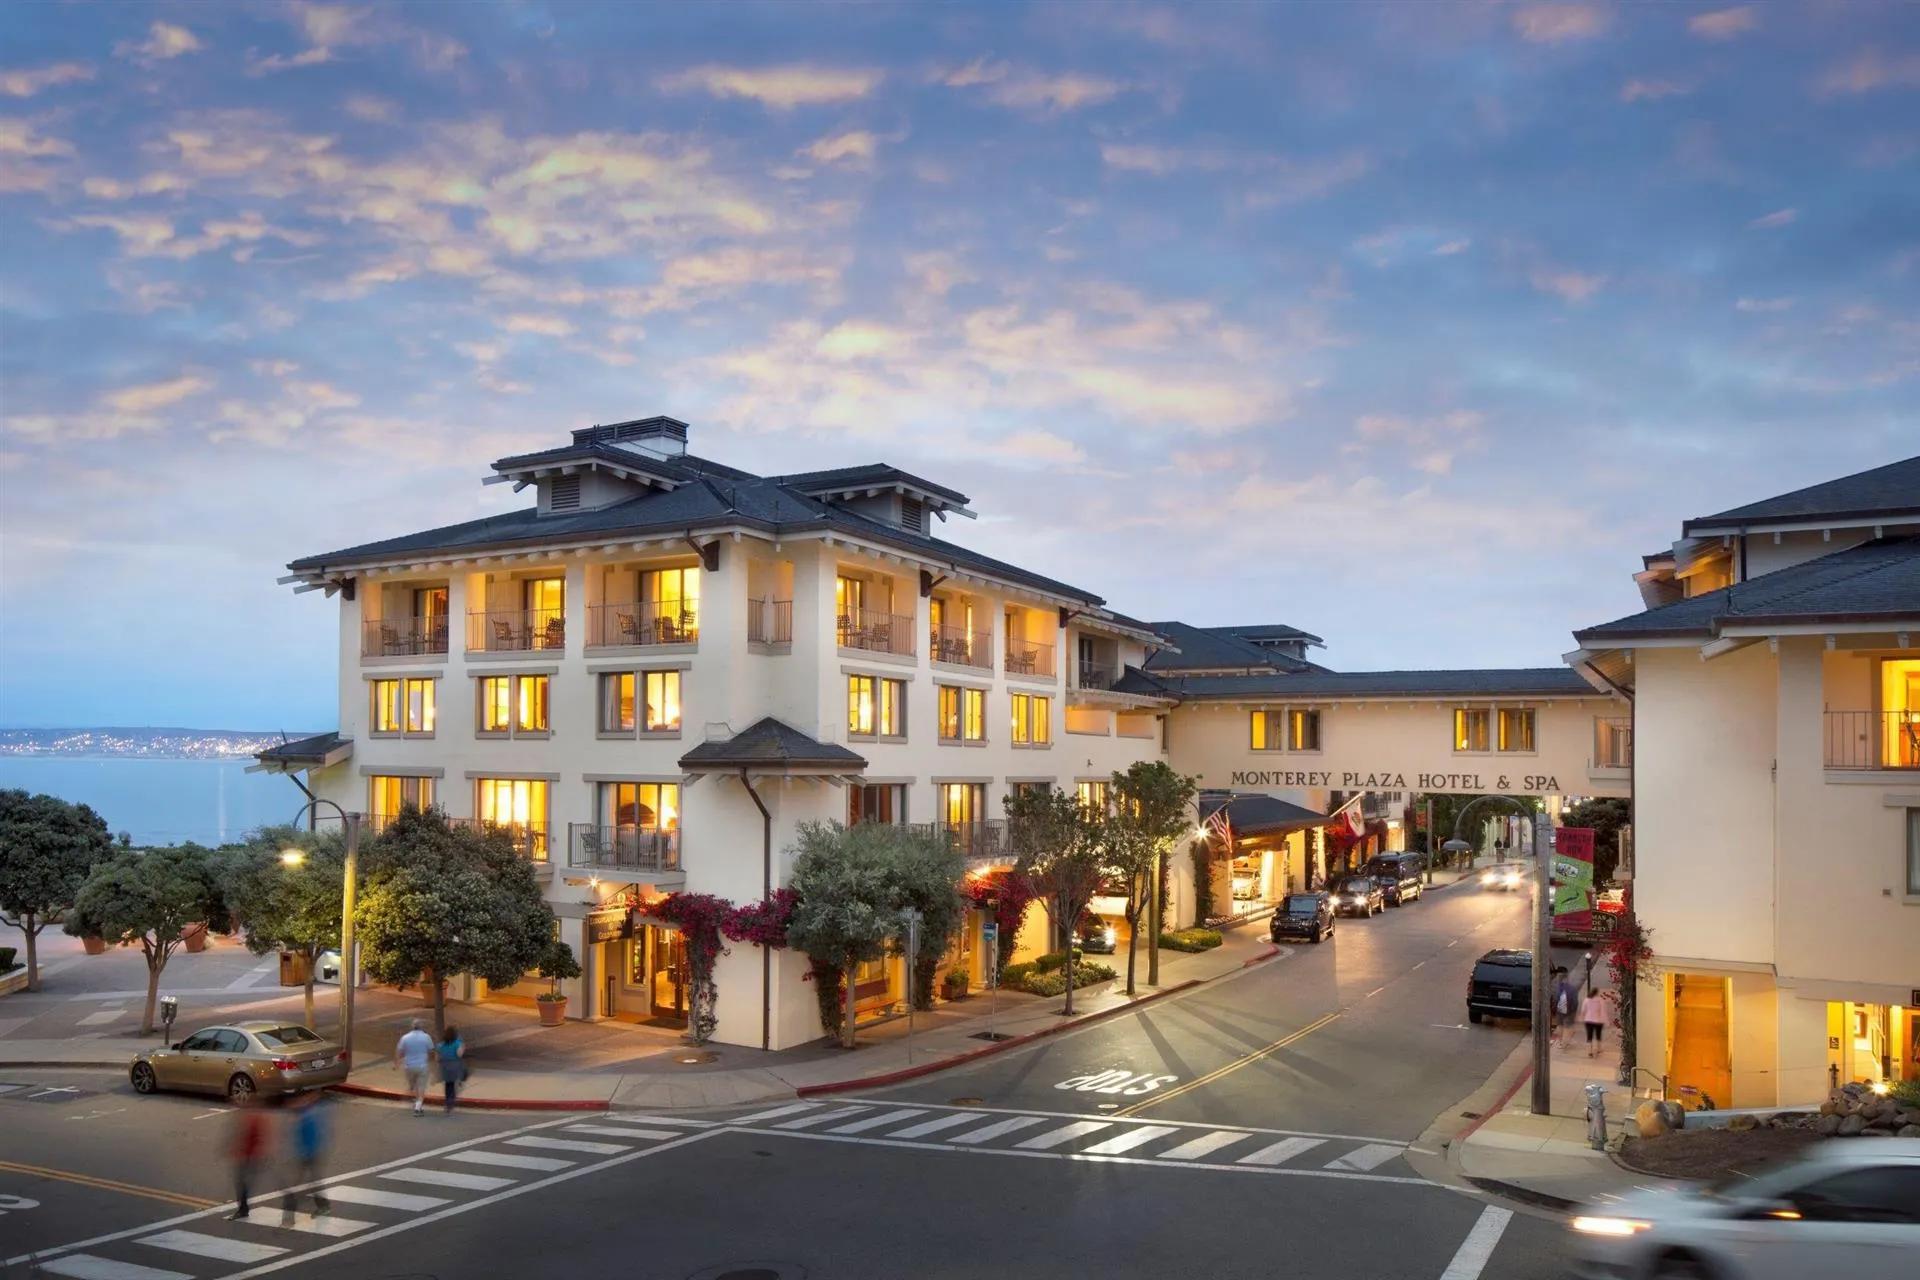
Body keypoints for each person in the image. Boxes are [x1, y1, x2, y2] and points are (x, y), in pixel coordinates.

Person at [281, 1092, 331, 1223]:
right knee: (312, 1180)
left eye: (293, 1102)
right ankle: (322, 1205)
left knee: (301, 1182)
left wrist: (303, 1154)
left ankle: (290, 1213)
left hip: (308, 1155)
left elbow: (310, 1138)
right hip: (308, 1154)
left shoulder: (306, 1117)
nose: (290, 1106)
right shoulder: (305, 1115)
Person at [227, 1092, 271, 1220]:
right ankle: (243, 1208)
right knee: (243, 1182)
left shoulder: (252, 1118)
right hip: (249, 1155)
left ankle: (243, 1209)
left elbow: (248, 1138)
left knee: (241, 1183)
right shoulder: (254, 1116)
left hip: (248, 1156)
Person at [395, 1018, 434, 1116]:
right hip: (422, 1066)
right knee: (421, 1087)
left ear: (412, 1027)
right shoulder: (426, 1037)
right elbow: (431, 1050)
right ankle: (418, 1106)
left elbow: (399, 1051)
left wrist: (397, 1063)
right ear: (421, 1027)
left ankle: (417, 1102)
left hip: (409, 1066)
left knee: (414, 1086)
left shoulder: (405, 1037)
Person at [437, 1025, 466, 1115]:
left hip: (444, 1066)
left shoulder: (441, 1044)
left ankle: (447, 1102)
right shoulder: (457, 1043)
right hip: (454, 1065)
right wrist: (463, 1048)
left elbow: (437, 1056)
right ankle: (450, 1103)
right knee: (453, 1085)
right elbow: (459, 1055)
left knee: (447, 1084)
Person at [1580, 986, 1609, 1058]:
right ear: (1597, 993)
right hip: (1598, 1020)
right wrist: (1606, 1021)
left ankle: (1590, 1052)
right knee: (1598, 1035)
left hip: (1588, 1020)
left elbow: (1583, 1010)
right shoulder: (1600, 1000)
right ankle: (1599, 1049)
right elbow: (1603, 1011)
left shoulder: (1586, 1000)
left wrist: (1582, 1017)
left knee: (1589, 1036)